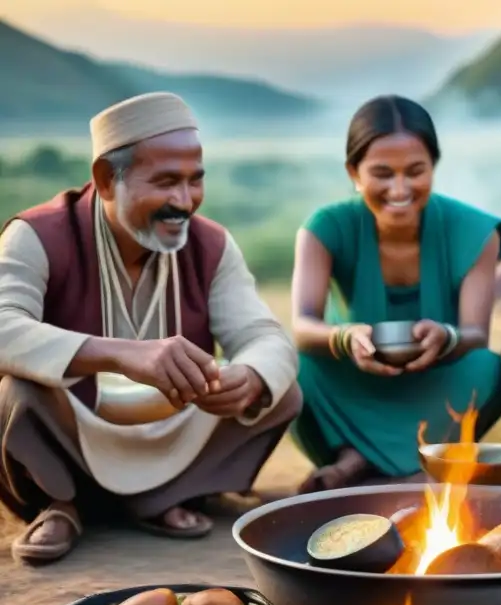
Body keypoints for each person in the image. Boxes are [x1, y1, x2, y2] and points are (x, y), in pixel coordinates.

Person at [0, 92, 301, 565]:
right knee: (18, 390)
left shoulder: (212, 244)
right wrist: (119, 353)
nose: (183, 202)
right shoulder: (37, 235)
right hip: (71, 425)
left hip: (173, 424)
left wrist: (251, 376)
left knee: (277, 390)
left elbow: (267, 338)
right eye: (164, 182)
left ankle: (161, 498)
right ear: (105, 179)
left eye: (194, 181)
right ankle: (58, 504)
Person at [290, 95, 501, 490]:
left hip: (436, 376)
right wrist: (347, 337)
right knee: (292, 364)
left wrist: (447, 338)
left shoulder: (475, 230)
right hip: (353, 377)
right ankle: (351, 457)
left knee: (489, 367)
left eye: (415, 171)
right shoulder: (324, 227)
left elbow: (476, 334)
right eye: (382, 173)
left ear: (433, 167)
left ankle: (419, 464)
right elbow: (303, 326)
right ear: (354, 172)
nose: (399, 188)